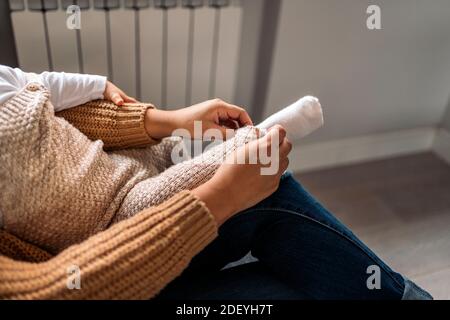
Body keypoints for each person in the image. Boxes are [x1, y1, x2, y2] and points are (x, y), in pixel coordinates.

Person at [0, 65, 432, 300]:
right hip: (103, 249)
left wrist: (170, 120)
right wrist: (224, 195)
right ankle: (250, 141)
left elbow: (44, 99)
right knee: (278, 216)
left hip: (122, 168)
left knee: (302, 245)